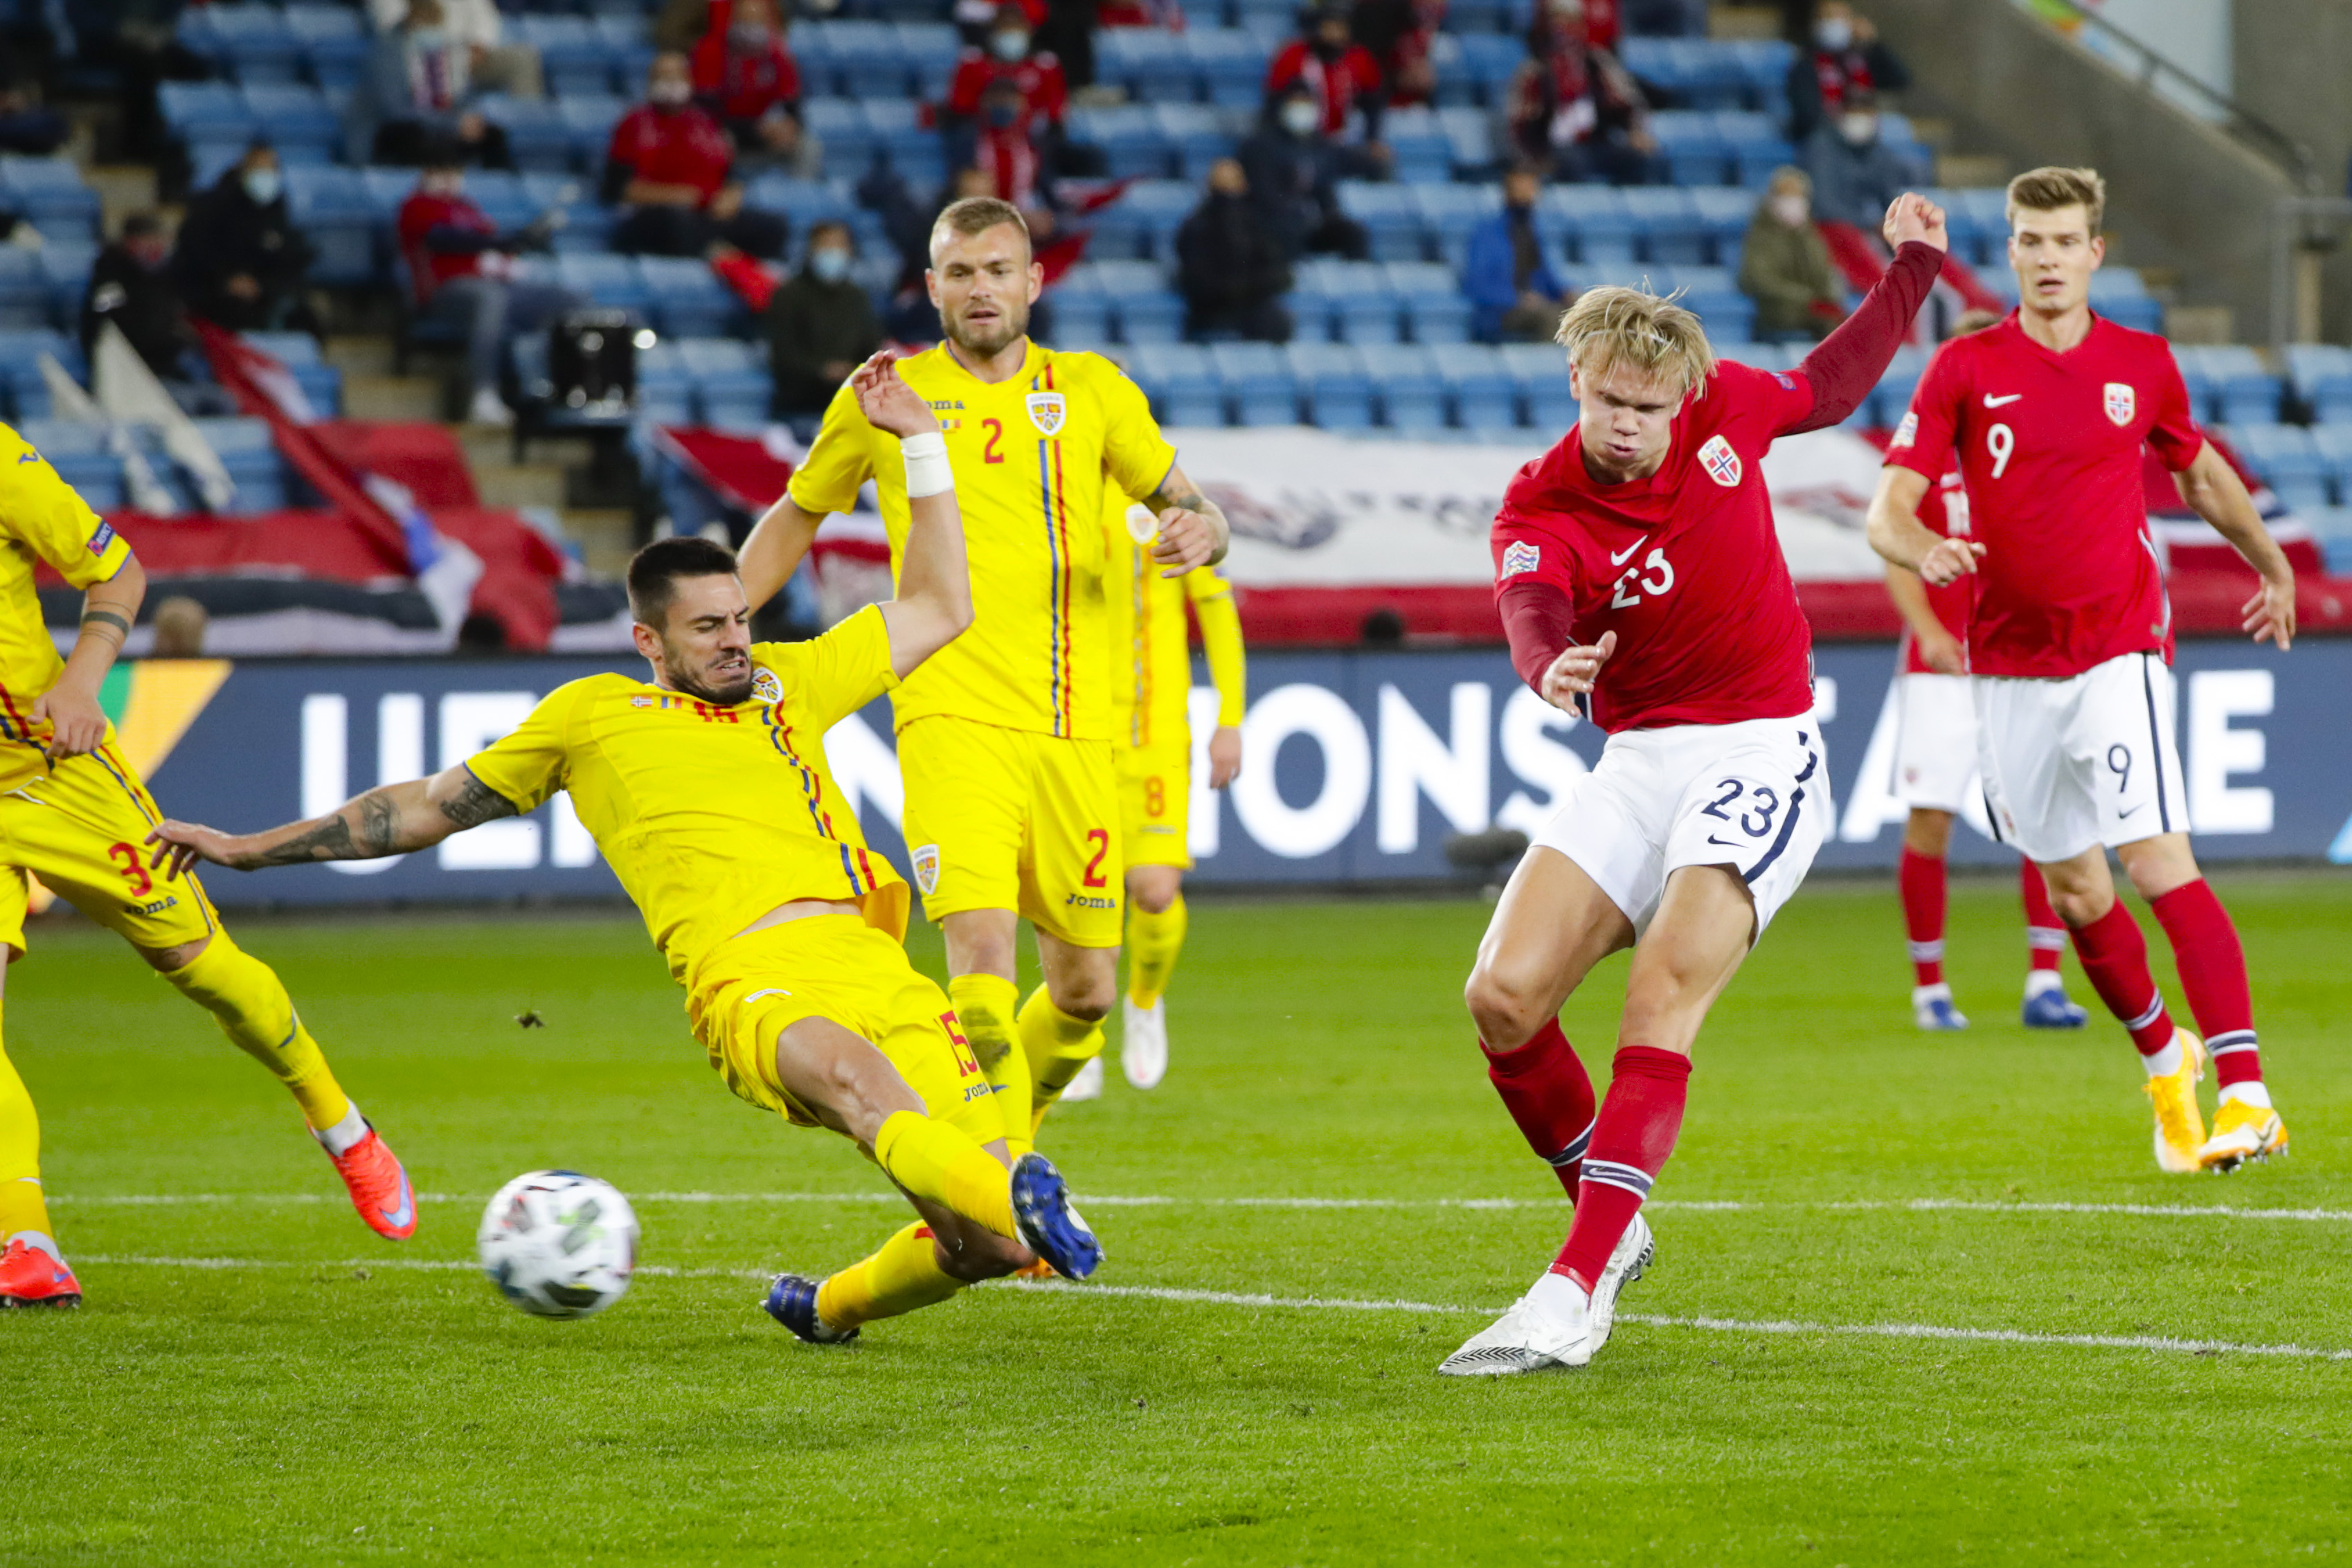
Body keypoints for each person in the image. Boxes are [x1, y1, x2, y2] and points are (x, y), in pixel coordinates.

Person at [150, 374, 1108, 1347]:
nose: (736, 641)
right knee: (863, 1090)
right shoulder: (594, 717)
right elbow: (423, 809)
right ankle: (1027, 1195)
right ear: (650, 640)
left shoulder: (792, 681)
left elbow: (943, 605)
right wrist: (246, 849)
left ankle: (831, 1305)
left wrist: (919, 446)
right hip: (751, 980)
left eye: (740, 617)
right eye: (709, 628)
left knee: (983, 1247)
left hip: (876, 966)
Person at [1439, 192, 1946, 1376]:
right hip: (1638, 756)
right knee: (1502, 999)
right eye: (1608, 400)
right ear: (1576, 382)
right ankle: (1613, 1226)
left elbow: (1829, 381)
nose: (1628, 425)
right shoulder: (1543, 498)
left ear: (1682, 398)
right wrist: (1543, 662)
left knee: (1663, 985)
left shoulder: (1728, 414)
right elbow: (1530, 598)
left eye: (1647, 407)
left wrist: (1911, 267)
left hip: (1762, 744)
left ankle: (1572, 1287)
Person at [735, 196, 1231, 1158]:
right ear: (931, 289)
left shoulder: (1092, 392)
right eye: (959, 273)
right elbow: (797, 511)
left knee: (1085, 989)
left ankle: (1016, 1136)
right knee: (980, 975)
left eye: (998, 270)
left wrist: (1203, 528)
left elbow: (1192, 503)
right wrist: (717, 624)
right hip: (948, 715)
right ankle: (1005, 1194)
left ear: (1034, 282)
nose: (980, 290)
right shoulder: (885, 396)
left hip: (1077, 732)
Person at [1869, 166, 2297, 1175]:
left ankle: (2248, 1092)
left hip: (2117, 651)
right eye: (2030, 240)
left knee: (2155, 863)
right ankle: (2166, 1064)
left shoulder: (2141, 363)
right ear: (2011, 252)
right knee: (2073, 890)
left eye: (2066, 241)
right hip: (2005, 670)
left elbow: (2197, 474)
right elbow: (1887, 505)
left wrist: (2271, 564)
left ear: (2094, 253)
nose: (2049, 258)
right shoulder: (1964, 371)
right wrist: (1918, 545)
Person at [0, 429, 416, 1308]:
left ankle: (339, 1122)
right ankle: (25, 1240)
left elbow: (119, 572)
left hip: (52, 770)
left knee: (208, 971)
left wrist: (81, 683)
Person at [1882, 309, 2092, 1034]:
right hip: (1942, 670)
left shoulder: (2035, 452)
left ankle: (2044, 980)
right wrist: (1931, 630)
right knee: (1931, 820)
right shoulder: (1924, 455)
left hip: (2023, 663)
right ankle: (1929, 990)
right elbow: (1893, 548)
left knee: (2043, 820)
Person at [1054, 487, 1245, 1099]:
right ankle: (1080, 1027)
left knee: (1155, 890)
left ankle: (1143, 999)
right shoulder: (1058, 491)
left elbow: (1215, 609)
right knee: (1084, 895)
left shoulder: (1166, 502)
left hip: (1154, 734)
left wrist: (1230, 718)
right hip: (1075, 734)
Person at [397, 151, 586, 428]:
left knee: (567, 299)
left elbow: (495, 246)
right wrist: (502, 242)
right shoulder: (416, 206)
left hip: (493, 284)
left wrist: (521, 242)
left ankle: (559, 389)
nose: (449, 179)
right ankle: (483, 394)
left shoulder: (468, 207)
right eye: (441, 171)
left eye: (454, 172)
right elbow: (443, 239)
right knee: (490, 298)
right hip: (445, 292)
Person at [605, 52, 789, 260]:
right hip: (656, 215)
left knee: (773, 226)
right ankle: (706, 263)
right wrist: (674, 195)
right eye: (663, 77)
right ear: (650, 82)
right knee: (678, 221)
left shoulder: (705, 123)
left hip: (706, 213)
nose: (671, 84)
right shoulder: (634, 124)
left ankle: (758, 282)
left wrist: (731, 196)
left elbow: (730, 176)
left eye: (677, 77)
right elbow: (616, 189)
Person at [82, 213, 233, 416]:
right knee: (182, 405)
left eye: (159, 240)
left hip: (170, 368)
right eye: (149, 240)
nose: (156, 247)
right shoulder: (109, 283)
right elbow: (103, 325)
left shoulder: (164, 278)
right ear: (131, 242)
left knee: (225, 402)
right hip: (133, 371)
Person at [1504, 0, 1659, 186]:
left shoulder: (1596, 63)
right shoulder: (1535, 71)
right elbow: (1517, 123)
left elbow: (1628, 103)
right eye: (1557, 22)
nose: (1562, 30)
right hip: (1553, 148)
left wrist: (1636, 131)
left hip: (1595, 142)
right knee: (1572, 161)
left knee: (1638, 157)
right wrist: (1531, 157)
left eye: (1569, 22)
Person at [346, 0, 513, 168]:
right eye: (427, 30)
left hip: (432, 126)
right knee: (416, 136)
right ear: (412, 27)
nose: (432, 37)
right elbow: (397, 110)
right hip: (384, 132)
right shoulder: (388, 53)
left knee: (491, 136)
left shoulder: (434, 51)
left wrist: (468, 114)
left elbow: (449, 99)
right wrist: (452, 124)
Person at [170, 143, 316, 334]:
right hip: (213, 290)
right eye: (258, 170)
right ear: (243, 172)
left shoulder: (277, 209)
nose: (265, 177)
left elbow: (290, 257)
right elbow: (195, 249)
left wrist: (261, 286)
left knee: (306, 319)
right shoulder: (212, 206)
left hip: (261, 293)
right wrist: (227, 280)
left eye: (270, 170)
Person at [1239, 83, 1374, 262]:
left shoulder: (1319, 144)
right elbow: (1263, 196)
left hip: (1308, 224)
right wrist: (1298, 213)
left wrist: (1328, 214)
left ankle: (1355, 281)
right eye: (1297, 102)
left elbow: (1325, 188)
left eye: (1307, 103)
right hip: (1271, 224)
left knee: (1352, 233)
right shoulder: (1261, 146)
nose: (1303, 109)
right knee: (1285, 231)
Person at [766, 221, 883, 420]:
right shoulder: (789, 295)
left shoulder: (857, 297)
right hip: (800, 403)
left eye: (839, 246)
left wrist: (855, 371)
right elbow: (783, 353)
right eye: (826, 245)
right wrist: (822, 371)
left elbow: (871, 347)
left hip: (852, 402)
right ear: (811, 250)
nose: (833, 252)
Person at [1176, 158, 1293, 343]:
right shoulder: (1199, 226)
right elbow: (1199, 280)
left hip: (1252, 307)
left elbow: (1277, 268)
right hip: (1214, 312)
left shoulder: (1253, 223)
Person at [1462, 163, 1568, 343]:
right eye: (1520, 189)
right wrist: (1517, 299)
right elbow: (1476, 285)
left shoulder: (1532, 232)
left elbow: (1545, 278)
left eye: (1530, 189)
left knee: (1587, 313)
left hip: (1537, 304)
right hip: (1500, 313)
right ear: (1507, 193)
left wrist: (1566, 293)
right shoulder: (1486, 233)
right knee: (1551, 317)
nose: (1526, 196)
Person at [1737, 166, 1843, 341]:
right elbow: (1759, 280)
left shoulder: (1809, 234)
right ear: (1773, 200)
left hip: (1811, 313)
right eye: (1787, 198)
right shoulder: (1761, 236)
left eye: (1798, 199)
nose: (1793, 205)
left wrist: (1829, 295)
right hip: (1775, 313)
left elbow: (1822, 271)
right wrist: (1806, 299)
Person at [690, 0, 802, 159]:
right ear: (733, 22)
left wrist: (786, 124)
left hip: (764, 125)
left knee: (805, 144)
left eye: (756, 24)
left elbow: (792, 104)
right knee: (712, 140)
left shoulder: (778, 54)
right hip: (723, 124)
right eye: (745, 23)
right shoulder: (710, 50)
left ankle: (794, 183)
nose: (750, 30)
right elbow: (702, 107)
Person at [368, 0, 544, 100]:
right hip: (416, 59)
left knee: (522, 59)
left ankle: (529, 132)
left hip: (467, 57)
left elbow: (485, 19)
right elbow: (390, 27)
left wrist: (477, 46)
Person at [1787, 2, 1909, 144]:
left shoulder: (1860, 59)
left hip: (1866, 135)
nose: (1836, 23)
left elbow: (1900, 80)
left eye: (1842, 17)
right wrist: (1841, 124)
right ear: (1817, 24)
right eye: (1829, 17)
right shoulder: (1805, 64)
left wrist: (1875, 44)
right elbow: (1806, 114)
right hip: (1823, 137)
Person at [1801, 88, 1923, 230]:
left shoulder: (1880, 152)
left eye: (1864, 112)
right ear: (1839, 114)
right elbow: (1824, 205)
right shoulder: (1821, 147)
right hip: (1835, 230)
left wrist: (1891, 221)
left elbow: (1892, 197)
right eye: (1853, 112)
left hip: (1874, 231)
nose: (1858, 118)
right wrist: (1869, 224)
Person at [1266, 3, 1384, 141]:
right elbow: (1274, 103)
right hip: (1299, 139)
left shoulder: (1359, 58)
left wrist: (1372, 139)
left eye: (1340, 28)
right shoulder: (1293, 55)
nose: (1335, 34)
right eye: (1329, 27)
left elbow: (1372, 104)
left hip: (1344, 139)